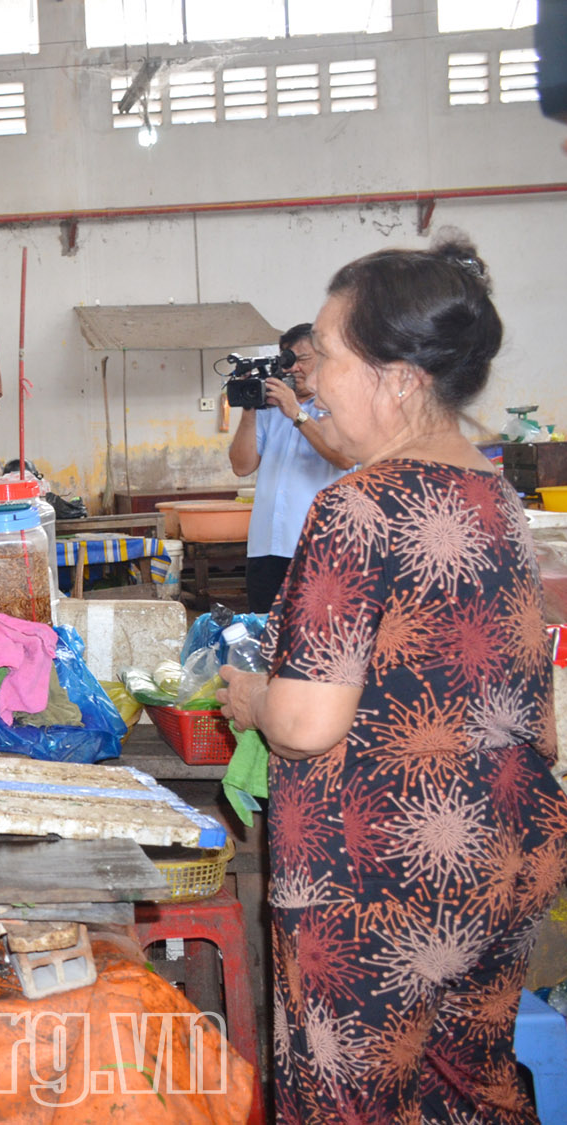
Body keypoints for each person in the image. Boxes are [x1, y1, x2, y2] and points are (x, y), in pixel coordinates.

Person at [218, 236, 567, 1124]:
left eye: (327, 356)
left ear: (400, 378)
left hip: (379, 878)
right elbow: (534, 714)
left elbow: (302, 721)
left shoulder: (357, 506)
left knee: (354, 1101)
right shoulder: (495, 499)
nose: (312, 381)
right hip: (502, 857)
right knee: (468, 1090)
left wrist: (251, 696)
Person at [227, 323, 356, 613]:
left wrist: (295, 413)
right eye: (287, 359)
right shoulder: (271, 410)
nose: (293, 368)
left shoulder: (339, 406)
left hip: (319, 550)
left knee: (316, 637)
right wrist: (250, 408)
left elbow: (343, 457)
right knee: (265, 636)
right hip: (265, 547)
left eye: (303, 358)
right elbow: (241, 465)